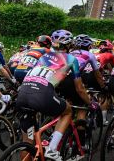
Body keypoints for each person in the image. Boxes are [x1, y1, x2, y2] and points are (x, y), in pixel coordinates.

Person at [16, 31, 97, 160]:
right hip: (41, 94)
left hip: (22, 93)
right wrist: (90, 103)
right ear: (69, 44)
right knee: (67, 111)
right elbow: (80, 88)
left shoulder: (44, 56)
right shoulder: (71, 59)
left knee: (27, 144)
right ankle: (52, 149)